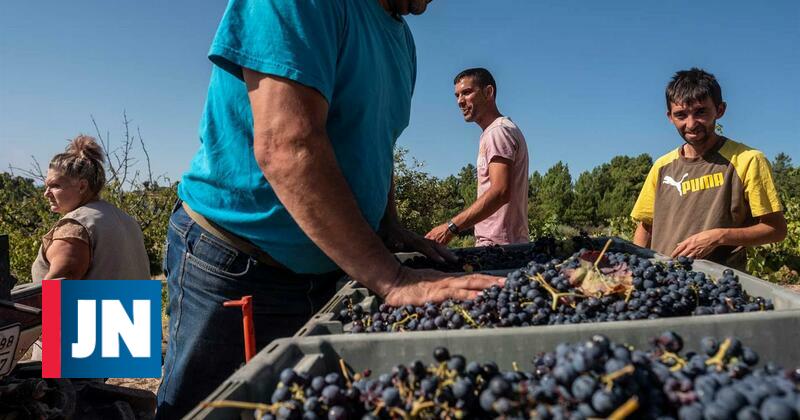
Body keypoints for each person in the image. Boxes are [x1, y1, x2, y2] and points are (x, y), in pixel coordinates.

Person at [156, 0, 501, 417]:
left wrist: (388, 224)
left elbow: (376, 142)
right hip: (234, 263)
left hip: (327, 269)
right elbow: (287, 146)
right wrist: (392, 278)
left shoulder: (402, 40)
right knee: (207, 409)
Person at [631, 68, 787, 270]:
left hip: (718, 287)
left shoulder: (747, 161)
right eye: (681, 115)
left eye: (701, 112)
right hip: (664, 282)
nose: (691, 124)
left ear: (720, 110)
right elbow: (645, 226)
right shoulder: (662, 167)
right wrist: (635, 270)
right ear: (670, 116)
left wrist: (719, 236)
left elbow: (776, 229)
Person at [29, 135, 150, 360]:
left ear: (82, 186)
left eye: (55, 186)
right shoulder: (124, 219)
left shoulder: (75, 226)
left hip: (76, 352)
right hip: (120, 341)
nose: (46, 193)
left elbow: (59, 287)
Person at [426, 68, 530, 246]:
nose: (460, 101)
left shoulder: (498, 132)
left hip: (500, 248)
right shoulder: (497, 131)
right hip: (503, 245)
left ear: (488, 92)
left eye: (466, 93)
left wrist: (451, 227)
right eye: (457, 95)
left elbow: (500, 192)